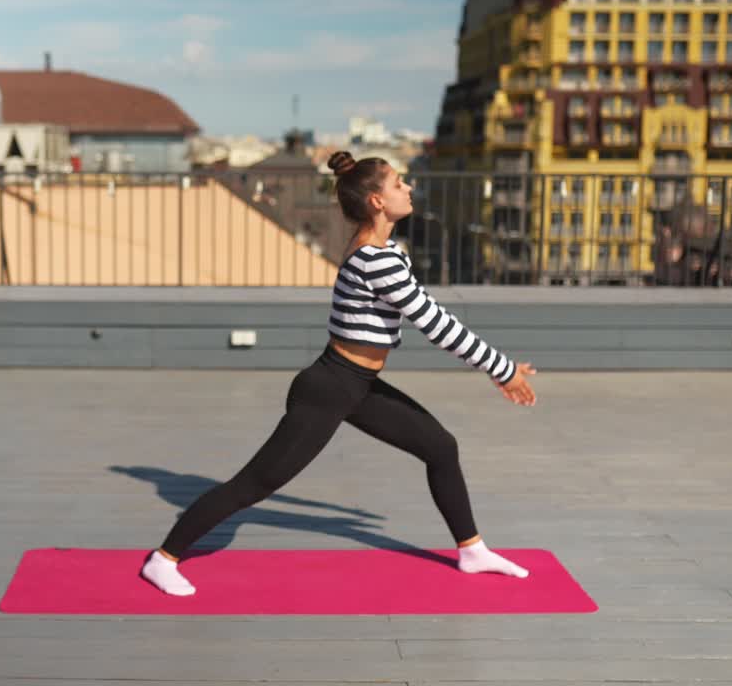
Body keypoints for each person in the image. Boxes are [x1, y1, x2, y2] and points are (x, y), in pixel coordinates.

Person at [140, 152, 539, 597]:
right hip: (328, 390)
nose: (409, 189)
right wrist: (501, 370)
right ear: (376, 201)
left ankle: (471, 550)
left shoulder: (386, 252)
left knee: (441, 448)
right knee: (255, 483)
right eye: (399, 184)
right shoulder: (377, 260)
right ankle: (164, 558)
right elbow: (435, 322)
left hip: (359, 386)